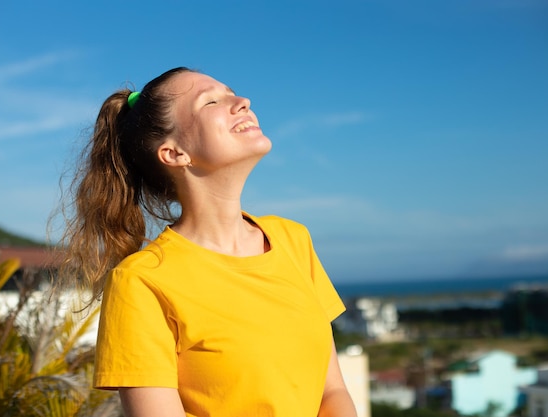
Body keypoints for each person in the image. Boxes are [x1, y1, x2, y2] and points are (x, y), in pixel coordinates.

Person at [60, 67, 358, 416]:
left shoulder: (293, 240)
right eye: (212, 101)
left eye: (233, 92)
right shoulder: (141, 281)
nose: (243, 102)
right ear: (174, 154)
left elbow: (333, 391)